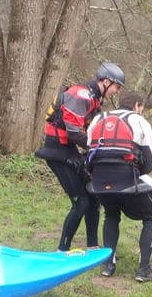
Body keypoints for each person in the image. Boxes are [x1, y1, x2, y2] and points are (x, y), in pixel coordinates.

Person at [35, 62, 125, 251]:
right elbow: (75, 133)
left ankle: (92, 246)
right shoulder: (80, 95)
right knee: (81, 202)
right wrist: (99, 147)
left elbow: (89, 132)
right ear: (106, 82)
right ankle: (62, 250)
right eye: (117, 87)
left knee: (93, 199)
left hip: (69, 150)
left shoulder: (94, 98)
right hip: (57, 151)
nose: (117, 92)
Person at [86, 90, 152, 282]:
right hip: (127, 178)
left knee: (111, 215)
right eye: (141, 108)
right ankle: (144, 270)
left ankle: (108, 265)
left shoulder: (98, 119)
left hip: (99, 182)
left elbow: (89, 151)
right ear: (137, 106)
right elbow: (150, 162)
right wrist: (136, 174)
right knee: (151, 217)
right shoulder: (139, 121)